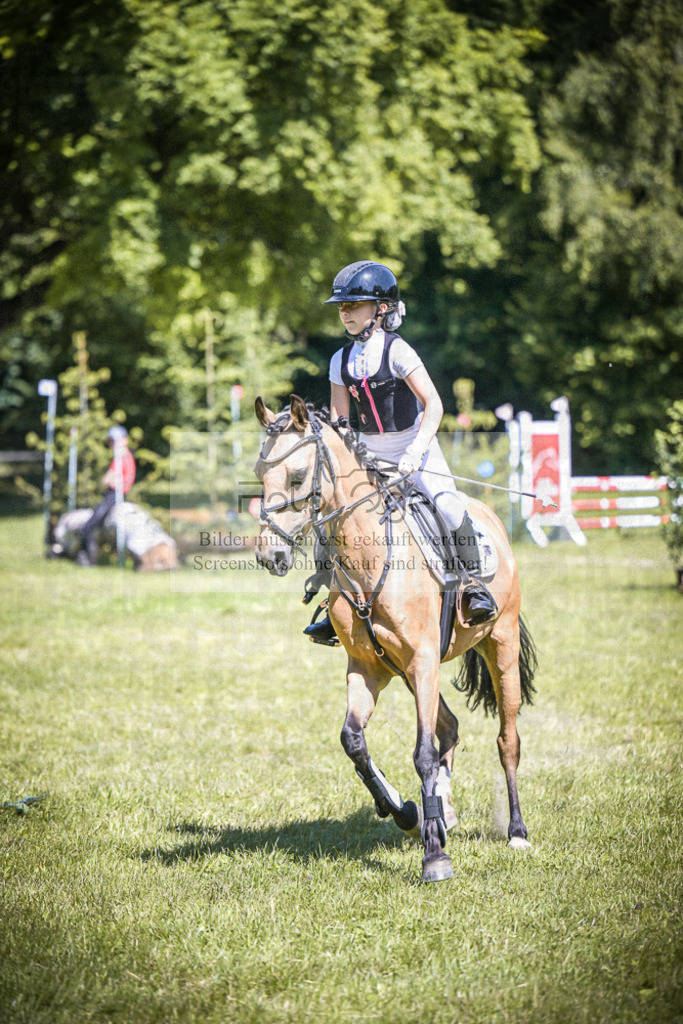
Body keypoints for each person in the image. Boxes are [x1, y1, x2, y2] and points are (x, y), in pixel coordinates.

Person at [303, 260, 497, 644]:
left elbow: (434, 405)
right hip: (368, 453)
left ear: (381, 308)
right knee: (332, 517)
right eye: (341, 307)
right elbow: (340, 419)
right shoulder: (339, 360)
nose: (345, 313)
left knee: (448, 506)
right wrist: (347, 453)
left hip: (414, 444)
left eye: (353, 305)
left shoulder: (398, 351)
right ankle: (332, 601)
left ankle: (472, 586)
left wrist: (416, 451)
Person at [76, 425, 136, 566]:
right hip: (113, 494)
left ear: (125, 440)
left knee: (88, 526)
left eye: (115, 441)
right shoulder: (121, 457)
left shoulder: (122, 457)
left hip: (115, 495)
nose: (112, 444)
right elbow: (107, 479)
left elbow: (110, 480)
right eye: (111, 441)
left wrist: (110, 481)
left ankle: (89, 558)